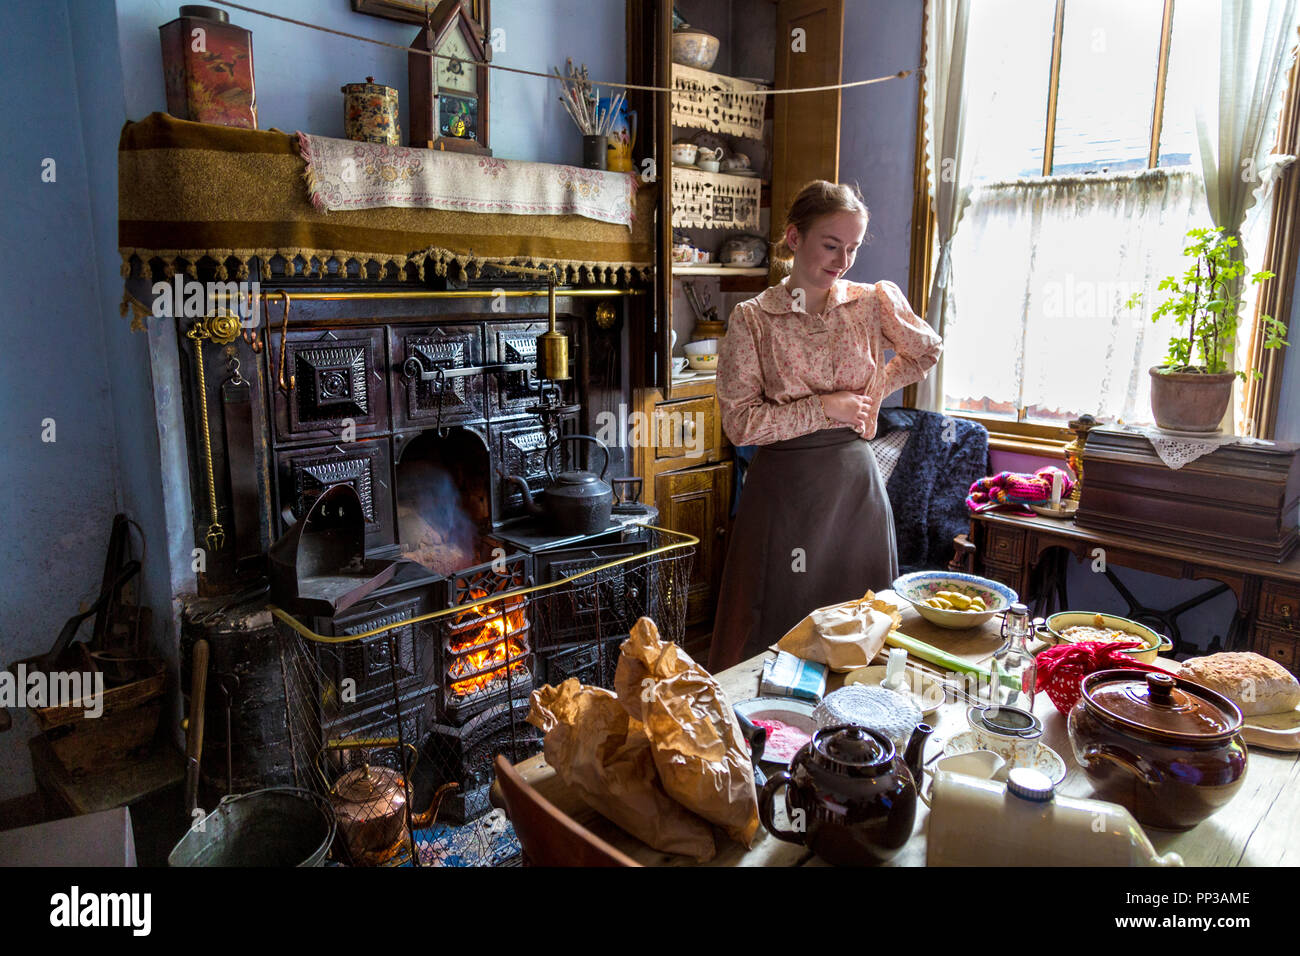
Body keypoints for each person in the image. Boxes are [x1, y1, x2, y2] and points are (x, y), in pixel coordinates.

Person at [708, 180, 943, 673]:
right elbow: (741, 425)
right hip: (784, 494)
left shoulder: (870, 302)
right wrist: (827, 408)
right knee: (780, 627)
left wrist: (871, 393)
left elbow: (925, 350)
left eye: (853, 248)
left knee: (861, 626)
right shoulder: (753, 319)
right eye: (830, 245)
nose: (842, 260)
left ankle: (855, 737)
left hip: (854, 491)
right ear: (794, 238)